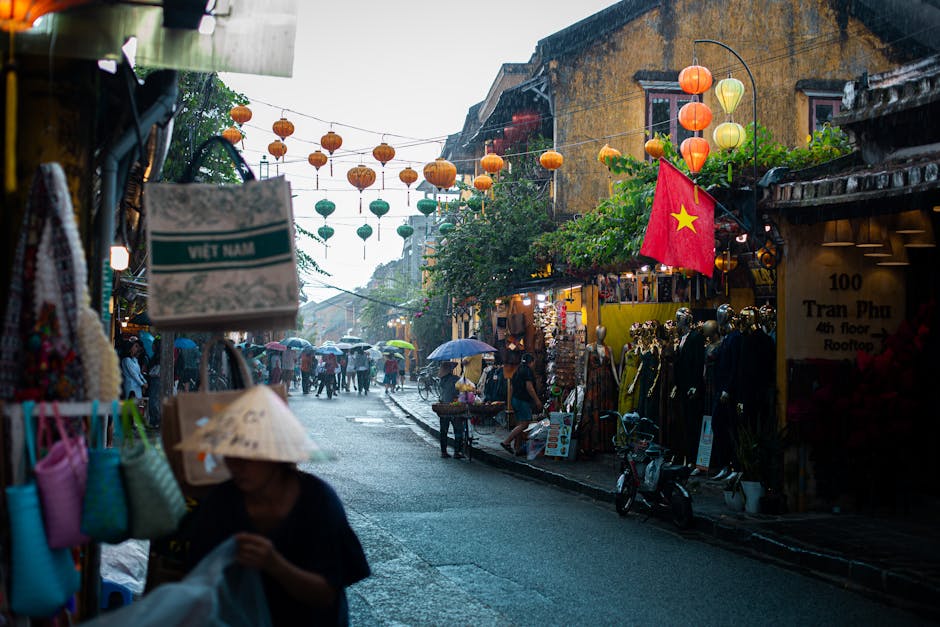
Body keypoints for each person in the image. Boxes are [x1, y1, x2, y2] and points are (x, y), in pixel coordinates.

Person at [183, 387, 371, 626]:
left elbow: (326, 594)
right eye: (229, 453)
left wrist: (274, 564)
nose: (235, 465)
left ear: (276, 455)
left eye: (247, 455)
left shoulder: (318, 499)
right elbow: (197, 579)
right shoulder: (222, 500)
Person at [500, 353, 542, 456]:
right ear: (531, 362)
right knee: (525, 424)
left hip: (516, 399)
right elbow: (529, 387)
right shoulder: (527, 371)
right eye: (533, 362)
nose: (534, 365)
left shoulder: (517, 371)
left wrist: (511, 401)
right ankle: (507, 442)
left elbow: (512, 387)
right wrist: (537, 400)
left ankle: (517, 448)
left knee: (520, 424)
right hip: (522, 400)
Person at [437, 362, 464, 459]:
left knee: (443, 431)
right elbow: (462, 390)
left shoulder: (441, 381)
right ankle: (457, 452)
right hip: (454, 408)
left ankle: (443, 452)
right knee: (458, 429)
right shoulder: (455, 379)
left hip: (443, 408)